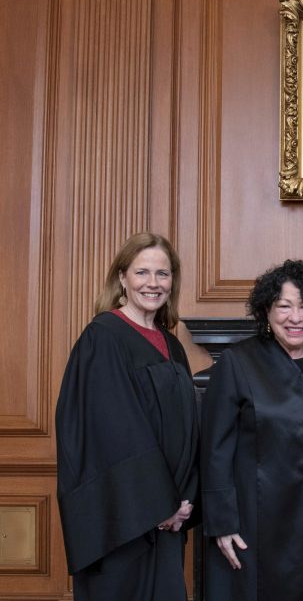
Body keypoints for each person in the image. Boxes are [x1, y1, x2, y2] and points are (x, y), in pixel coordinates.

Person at [201, 259, 303, 601]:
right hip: (256, 522)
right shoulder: (237, 362)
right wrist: (222, 522)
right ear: (266, 310)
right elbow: (214, 451)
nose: (296, 318)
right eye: (285, 306)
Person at [56, 233, 199, 601]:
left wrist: (185, 499)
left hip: (169, 516)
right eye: (142, 272)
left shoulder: (171, 345)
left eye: (163, 274)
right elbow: (113, 430)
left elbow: (188, 429)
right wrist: (159, 503)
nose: (153, 283)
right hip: (125, 519)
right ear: (121, 277)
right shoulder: (103, 337)